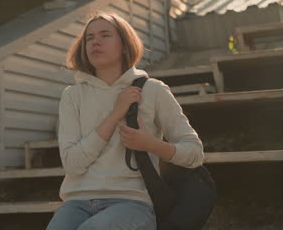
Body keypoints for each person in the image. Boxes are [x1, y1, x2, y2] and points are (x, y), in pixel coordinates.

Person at [46, 12, 204, 230]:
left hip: (132, 203)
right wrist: (116, 114)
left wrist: (150, 145)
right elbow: (73, 165)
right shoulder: (73, 96)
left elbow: (194, 154)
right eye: (89, 38)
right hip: (76, 203)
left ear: (124, 44)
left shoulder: (153, 91)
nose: (95, 42)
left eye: (104, 35)